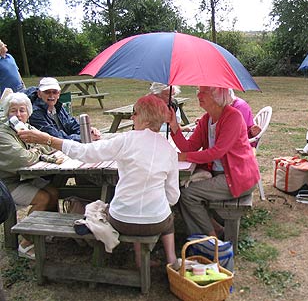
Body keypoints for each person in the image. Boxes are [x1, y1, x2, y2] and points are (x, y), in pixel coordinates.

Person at [18, 94, 180, 267]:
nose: (132, 117)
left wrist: (47, 139)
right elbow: (173, 197)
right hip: (157, 222)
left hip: (122, 221)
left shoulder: (125, 140)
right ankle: (171, 259)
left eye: (135, 113)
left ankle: (139, 258)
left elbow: (84, 152)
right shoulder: (169, 150)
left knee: (119, 206)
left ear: (146, 119)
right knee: (167, 219)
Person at [168, 86, 260, 236]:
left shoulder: (233, 117)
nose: (198, 95)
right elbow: (189, 146)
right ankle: (215, 229)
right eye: (198, 91)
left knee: (187, 194)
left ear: (218, 96)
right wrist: (174, 126)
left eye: (204, 92)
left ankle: (210, 239)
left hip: (238, 177)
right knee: (180, 189)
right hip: (220, 173)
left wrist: (184, 157)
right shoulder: (207, 119)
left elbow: (217, 152)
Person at [0, 92, 58, 260]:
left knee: (54, 192)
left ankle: (45, 232)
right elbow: (24, 159)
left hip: (25, 178)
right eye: (13, 111)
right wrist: (38, 149)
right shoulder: (3, 133)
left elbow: (50, 145)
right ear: (6, 113)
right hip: (7, 185)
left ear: (28, 112)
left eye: (22, 110)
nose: (18, 115)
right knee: (43, 198)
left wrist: (37, 149)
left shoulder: (27, 127)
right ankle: (25, 243)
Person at [29, 77, 101, 142]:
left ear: (59, 94)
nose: (51, 95)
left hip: (67, 145)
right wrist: (84, 137)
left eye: (55, 92)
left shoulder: (58, 106)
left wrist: (88, 131)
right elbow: (55, 138)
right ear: (39, 94)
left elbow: (71, 124)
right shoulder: (35, 113)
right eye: (47, 92)